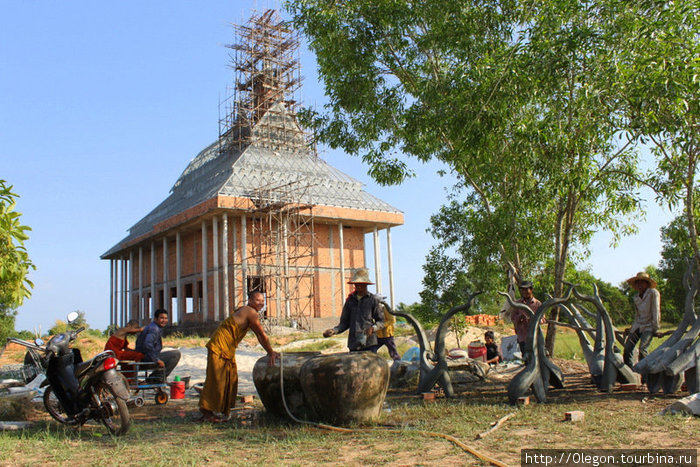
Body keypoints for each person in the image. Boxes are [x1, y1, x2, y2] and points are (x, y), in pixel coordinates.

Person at [198, 291, 279, 422]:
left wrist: (270, 351)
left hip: (227, 348)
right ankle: (207, 412)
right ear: (250, 301)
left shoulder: (245, 309)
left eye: (263, 301)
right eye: (258, 300)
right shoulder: (250, 312)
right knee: (217, 380)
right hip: (220, 347)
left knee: (230, 377)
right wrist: (271, 352)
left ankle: (217, 410)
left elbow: (258, 335)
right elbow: (261, 335)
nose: (261, 303)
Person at [323, 268, 385, 352]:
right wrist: (334, 331)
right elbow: (344, 323)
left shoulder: (372, 300)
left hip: (369, 343)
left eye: (361, 283)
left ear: (366, 284)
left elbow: (381, 322)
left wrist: (372, 328)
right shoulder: (350, 301)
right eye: (356, 283)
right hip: (353, 343)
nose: (358, 285)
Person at [623, 272, 661, 367]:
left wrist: (655, 328)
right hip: (638, 325)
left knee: (642, 350)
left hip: (649, 326)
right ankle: (629, 372)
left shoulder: (653, 293)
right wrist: (632, 328)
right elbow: (637, 315)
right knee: (627, 348)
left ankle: (645, 377)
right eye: (637, 282)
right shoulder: (636, 297)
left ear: (647, 284)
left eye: (642, 282)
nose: (640, 285)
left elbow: (656, 310)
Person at [135, 309, 181, 382]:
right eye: (162, 318)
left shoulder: (153, 327)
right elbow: (147, 345)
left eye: (166, 318)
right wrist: (157, 360)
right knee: (176, 354)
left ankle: (156, 377)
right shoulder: (154, 329)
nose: (164, 320)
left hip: (144, 357)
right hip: (145, 359)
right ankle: (156, 377)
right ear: (156, 319)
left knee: (171, 353)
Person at [509, 280, 544, 359]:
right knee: (526, 358)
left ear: (531, 290)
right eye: (522, 290)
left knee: (537, 358)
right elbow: (513, 318)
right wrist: (520, 317)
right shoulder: (517, 303)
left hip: (535, 336)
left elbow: (543, 319)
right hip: (523, 336)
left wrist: (534, 319)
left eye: (526, 289)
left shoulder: (537, 304)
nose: (524, 292)